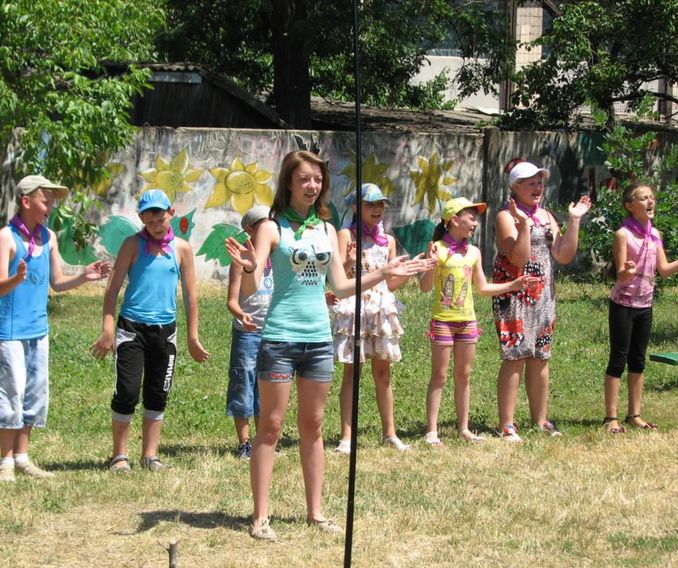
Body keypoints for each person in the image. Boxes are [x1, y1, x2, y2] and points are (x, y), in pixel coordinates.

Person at [225, 150, 428, 541]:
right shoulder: (271, 227)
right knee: (270, 426)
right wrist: (250, 267)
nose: (312, 185)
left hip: (319, 338)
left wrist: (384, 272)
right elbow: (253, 286)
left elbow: (340, 286)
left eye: (317, 179)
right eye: (303, 179)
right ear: (288, 182)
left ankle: (315, 512)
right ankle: (260, 517)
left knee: (314, 426)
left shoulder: (326, 228)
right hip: (280, 337)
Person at [0, 175, 110, 483]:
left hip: (38, 329)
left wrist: (84, 276)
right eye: (47, 200)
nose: (51, 206)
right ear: (26, 201)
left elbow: (57, 283)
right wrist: (15, 279)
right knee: (10, 390)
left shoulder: (50, 237)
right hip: (10, 330)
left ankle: (22, 457)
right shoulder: (6, 237)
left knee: (34, 393)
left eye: (53, 202)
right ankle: (5, 460)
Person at [91, 189, 209, 472]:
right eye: (149, 219)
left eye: (161, 217)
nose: (156, 224)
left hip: (165, 334)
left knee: (158, 393)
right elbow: (112, 291)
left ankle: (150, 455)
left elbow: (191, 296)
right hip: (132, 330)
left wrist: (193, 337)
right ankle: (120, 456)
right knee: (127, 391)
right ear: (142, 218)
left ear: (171, 213)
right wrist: (108, 330)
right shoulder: (132, 245)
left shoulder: (181, 249)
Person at [420, 197, 533, 445]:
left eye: (476, 218)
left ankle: (464, 428)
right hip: (443, 321)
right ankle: (431, 430)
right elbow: (425, 288)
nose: (475, 223)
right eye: (471, 217)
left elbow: (481, 288)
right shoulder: (436, 249)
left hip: (467, 322)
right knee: (438, 376)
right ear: (453, 220)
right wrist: (429, 264)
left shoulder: (473, 252)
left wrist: (512, 285)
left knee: (464, 375)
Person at [492, 161, 591, 442]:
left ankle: (540, 419)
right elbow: (518, 258)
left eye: (539, 182)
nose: (537, 187)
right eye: (531, 183)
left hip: (543, 295)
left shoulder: (546, 215)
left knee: (540, 357)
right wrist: (523, 223)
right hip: (514, 295)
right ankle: (507, 424)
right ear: (515, 187)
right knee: (515, 357)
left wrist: (574, 220)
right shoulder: (505, 217)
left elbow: (563, 255)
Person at [332, 183, 426, 454]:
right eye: (371, 204)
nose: (377, 209)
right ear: (355, 207)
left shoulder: (389, 241)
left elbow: (391, 283)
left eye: (380, 204)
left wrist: (410, 269)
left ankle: (390, 432)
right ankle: (346, 437)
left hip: (381, 307)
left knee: (383, 373)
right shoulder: (345, 234)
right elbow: (339, 277)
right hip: (356, 307)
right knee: (352, 372)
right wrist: (349, 261)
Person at [603, 183, 678, 433]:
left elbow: (664, 270)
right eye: (643, 198)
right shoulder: (623, 234)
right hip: (623, 304)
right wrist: (626, 271)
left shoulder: (655, 235)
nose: (650, 202)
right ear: (630, 205)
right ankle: (611, 418)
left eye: (652, 197)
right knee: (619, 359)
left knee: (638, 360)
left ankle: (634, 414)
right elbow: (620, 274)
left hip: (645, 305)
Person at [225, 205, 273, 460]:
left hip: (274, 332)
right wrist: (241, 314)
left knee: (270, 387)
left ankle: (265, 439)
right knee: (244, 384)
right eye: (264, 224)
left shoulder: (279, 257)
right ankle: (245, 442)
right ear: (250, 229)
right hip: (247, 334)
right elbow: (232, 300)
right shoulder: (241, 260)